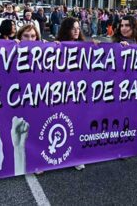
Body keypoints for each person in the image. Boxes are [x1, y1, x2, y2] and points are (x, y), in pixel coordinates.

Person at [55, 17, 86, 171]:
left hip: (78, 94)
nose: (76, 30)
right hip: (61, 94)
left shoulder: (85, 47)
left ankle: (74, 157)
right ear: (66, 29)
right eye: (73, 27)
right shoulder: (56, 45)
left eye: (78, 27)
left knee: (76, 125)